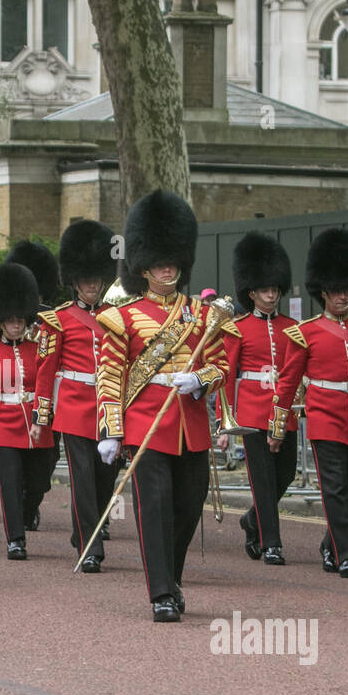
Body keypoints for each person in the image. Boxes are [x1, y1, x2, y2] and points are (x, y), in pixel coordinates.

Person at [95, 190, 236, 622]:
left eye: (172, 261)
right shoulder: (121, 317)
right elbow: (110, 377)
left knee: (187, 508)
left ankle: (171, 579)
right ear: (143, 266)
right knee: (154, 508)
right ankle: (160, 593)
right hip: (145, 426)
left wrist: (200, 380)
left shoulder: (201, 314)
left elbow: (221, 364)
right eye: (159, 262)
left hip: (189, 424)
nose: (167, 268)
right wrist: (111, 430)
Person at [269, 228, 348, 579]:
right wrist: (277, 427)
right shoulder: (306, 332)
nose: (343, 296)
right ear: (323, 291)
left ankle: (330, 543)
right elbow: (288, 382)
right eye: (337, 290)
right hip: (324, 417)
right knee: (334, 488)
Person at [33, 219, 119, 573]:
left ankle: (85, 530)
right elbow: (46, 370)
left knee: (104, 478)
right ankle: (90, 545)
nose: (92, 287)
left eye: (97, 280)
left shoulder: (115, 317)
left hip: (107, 405)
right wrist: (42, 416)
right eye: (86, 281)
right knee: (82, 477)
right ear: (74, 282)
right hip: (73, 405)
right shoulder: (58, 320)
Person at [0, 262, 53, 560]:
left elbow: (46, 381)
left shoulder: (38, 348)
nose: (17, 324)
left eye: (20, 320)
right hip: (1, 423)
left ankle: (28, 511)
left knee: (40, 479)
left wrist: (42, 416)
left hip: (35, 421)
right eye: (11, 320)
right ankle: (16, 539)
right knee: (10, 481)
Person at [222, 232, 299, 565]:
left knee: (286, 474)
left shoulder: (293, 327)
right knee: (263, 480)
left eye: (274, 289)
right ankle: (272, 543)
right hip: (252, 413)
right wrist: (224, 419)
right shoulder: (237, 328)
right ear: (251, 292)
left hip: (286, 411)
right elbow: (227, 375)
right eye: (265, 290)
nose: (271, 295)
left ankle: (252, 520)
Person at [0, 239, 61, 531]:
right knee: (12, 469)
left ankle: (30, 503)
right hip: (11, 410)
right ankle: (16, 518)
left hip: (48, 403)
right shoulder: (7, 318)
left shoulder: (52, 319)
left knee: (45, 469)